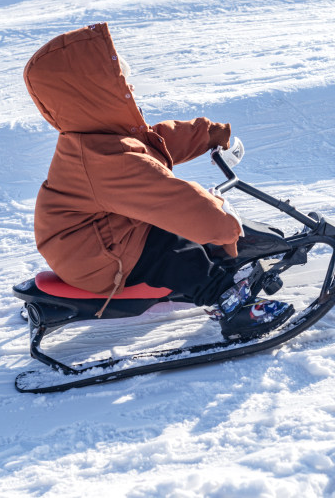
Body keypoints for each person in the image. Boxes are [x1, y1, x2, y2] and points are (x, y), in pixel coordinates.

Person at [23, 22, 292, 339]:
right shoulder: (107, 160)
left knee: (176, 230)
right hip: (95, 258)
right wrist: (223, 224)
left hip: (94, 239)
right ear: (96, 96)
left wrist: (210, 135)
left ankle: (219, 266)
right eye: (121, 85)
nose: (131, 91)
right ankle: (228, 302)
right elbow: (175, 201)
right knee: (173, 247)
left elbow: (156, 143)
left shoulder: (98, 137)